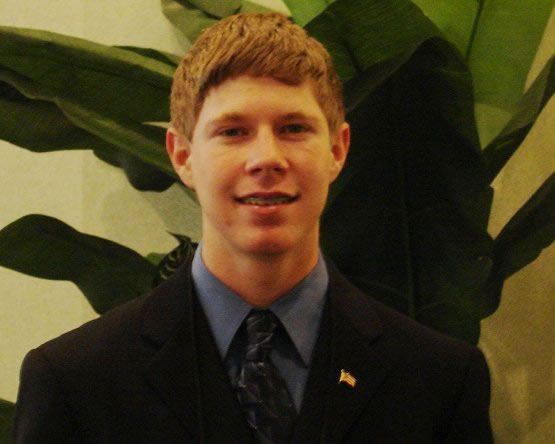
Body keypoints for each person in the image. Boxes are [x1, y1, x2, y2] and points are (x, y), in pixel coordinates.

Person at [14, 12, 492, 443]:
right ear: (182, 155)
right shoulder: (75, 382)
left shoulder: (439, 381)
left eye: (294, 128)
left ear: (337, 150)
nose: (266, 158)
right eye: (233, 131)